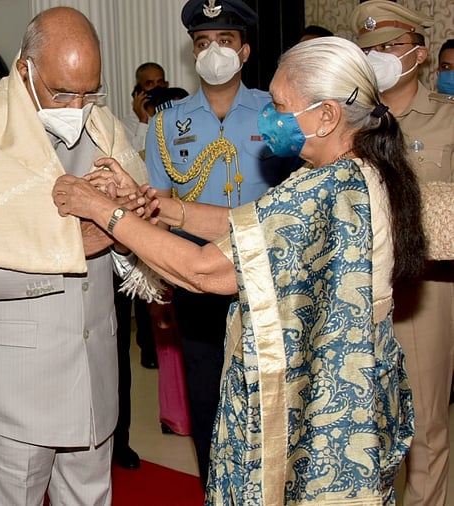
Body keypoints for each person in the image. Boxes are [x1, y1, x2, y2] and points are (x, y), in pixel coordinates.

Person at [54, 35, 424, 505]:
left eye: (281, 105)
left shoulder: (324, 189)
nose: (270, 117)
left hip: (317, 407)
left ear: (327, 115)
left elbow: (204, 272)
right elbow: (249, 226)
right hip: (346, 389)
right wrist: (153, 206)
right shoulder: (352, 170)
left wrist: (103, 211)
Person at [0, 7, 152, 504]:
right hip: (12, 391)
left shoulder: (107, 130)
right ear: (24, 70)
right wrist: (69, 250)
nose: (77, 105)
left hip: (94, 380)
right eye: (62, 92)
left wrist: (130, 224)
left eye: (88, 92)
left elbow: (139, 249)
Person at [145, 0, 298, 484]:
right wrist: (159, 285)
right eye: (203, 43)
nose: (214, 52)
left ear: (245, 50)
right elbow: (158, 212)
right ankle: (216, 487)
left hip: (265, 278)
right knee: (207, 394)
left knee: (269, 396)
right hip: (196, 277)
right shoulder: (167, 122)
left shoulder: (277, 113)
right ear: (193, 54)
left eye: (225, 41)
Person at [352, 3, 454, 505]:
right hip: (352, 291)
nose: (380, 58)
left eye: (390, 47)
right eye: (368, 50)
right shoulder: (347, 121)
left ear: (420, 52)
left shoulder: (447, 120)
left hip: (423, 293)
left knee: (425, 430)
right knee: (356, 429)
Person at [126, 62, 169, 151]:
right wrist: (143, 121)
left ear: (166, 85)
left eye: (160, 82)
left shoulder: (174, 116)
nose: (156, 87)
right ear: (138, 89)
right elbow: (139, 157)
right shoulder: (126, 125)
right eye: (150, 83)